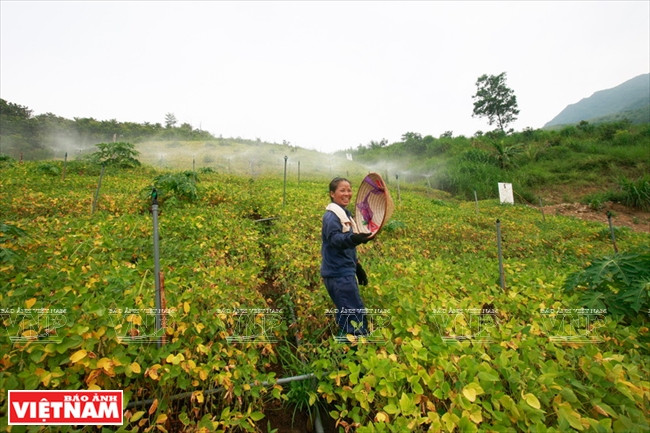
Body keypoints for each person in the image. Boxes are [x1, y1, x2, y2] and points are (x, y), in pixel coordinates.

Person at [321, 177, 373, 342]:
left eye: (349, 190)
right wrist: (355, 238)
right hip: (338, 275)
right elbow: (336, 240)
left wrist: (357, 268)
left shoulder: (345, 214)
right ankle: (354, 357)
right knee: (355, 317)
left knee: (348, 313)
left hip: (342, 272)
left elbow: (346, 247)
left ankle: (344, 351)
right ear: (332, 193)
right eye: (342, 190)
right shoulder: (331, 217)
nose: (347, 193)